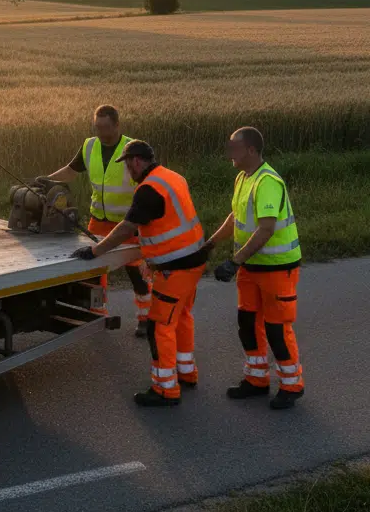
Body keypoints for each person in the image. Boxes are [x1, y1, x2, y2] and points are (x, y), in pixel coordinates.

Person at [74, 140, 208, 407]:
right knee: (181, 318)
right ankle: (186, 373)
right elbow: (162, 220)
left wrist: (97, 250)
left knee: (159, 326)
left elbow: (127, 228)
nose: (127, 172)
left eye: (127, 165)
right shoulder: (172, 177)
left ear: (136, 161)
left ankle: (165, 389)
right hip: (194, 261)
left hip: (175, 267)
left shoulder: (148, 190)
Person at [206, 127, 305, 410]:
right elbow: (236, 216)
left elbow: (266, 229)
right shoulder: (243, 177)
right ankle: (256, 380)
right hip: (251, 266)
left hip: (277, 268)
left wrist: (235, 261)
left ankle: (292, 385)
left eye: (234, 148)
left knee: (276, 329)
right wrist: (211, 243)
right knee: (247, 323)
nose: (230, 153)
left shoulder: (268, 182)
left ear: (250, 150)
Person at [42, 105, 151, 336]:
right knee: (94, 272)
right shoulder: (90, 145)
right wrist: (48, 181)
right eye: (98, 127)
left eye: (106, 128)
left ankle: (145, 317)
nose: (101, 132)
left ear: (117, 125)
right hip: (98, 221)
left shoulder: (132, 149)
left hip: (127, 223)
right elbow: (71, 171)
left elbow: (148, 185)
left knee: (135, 272)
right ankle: (97, 315)